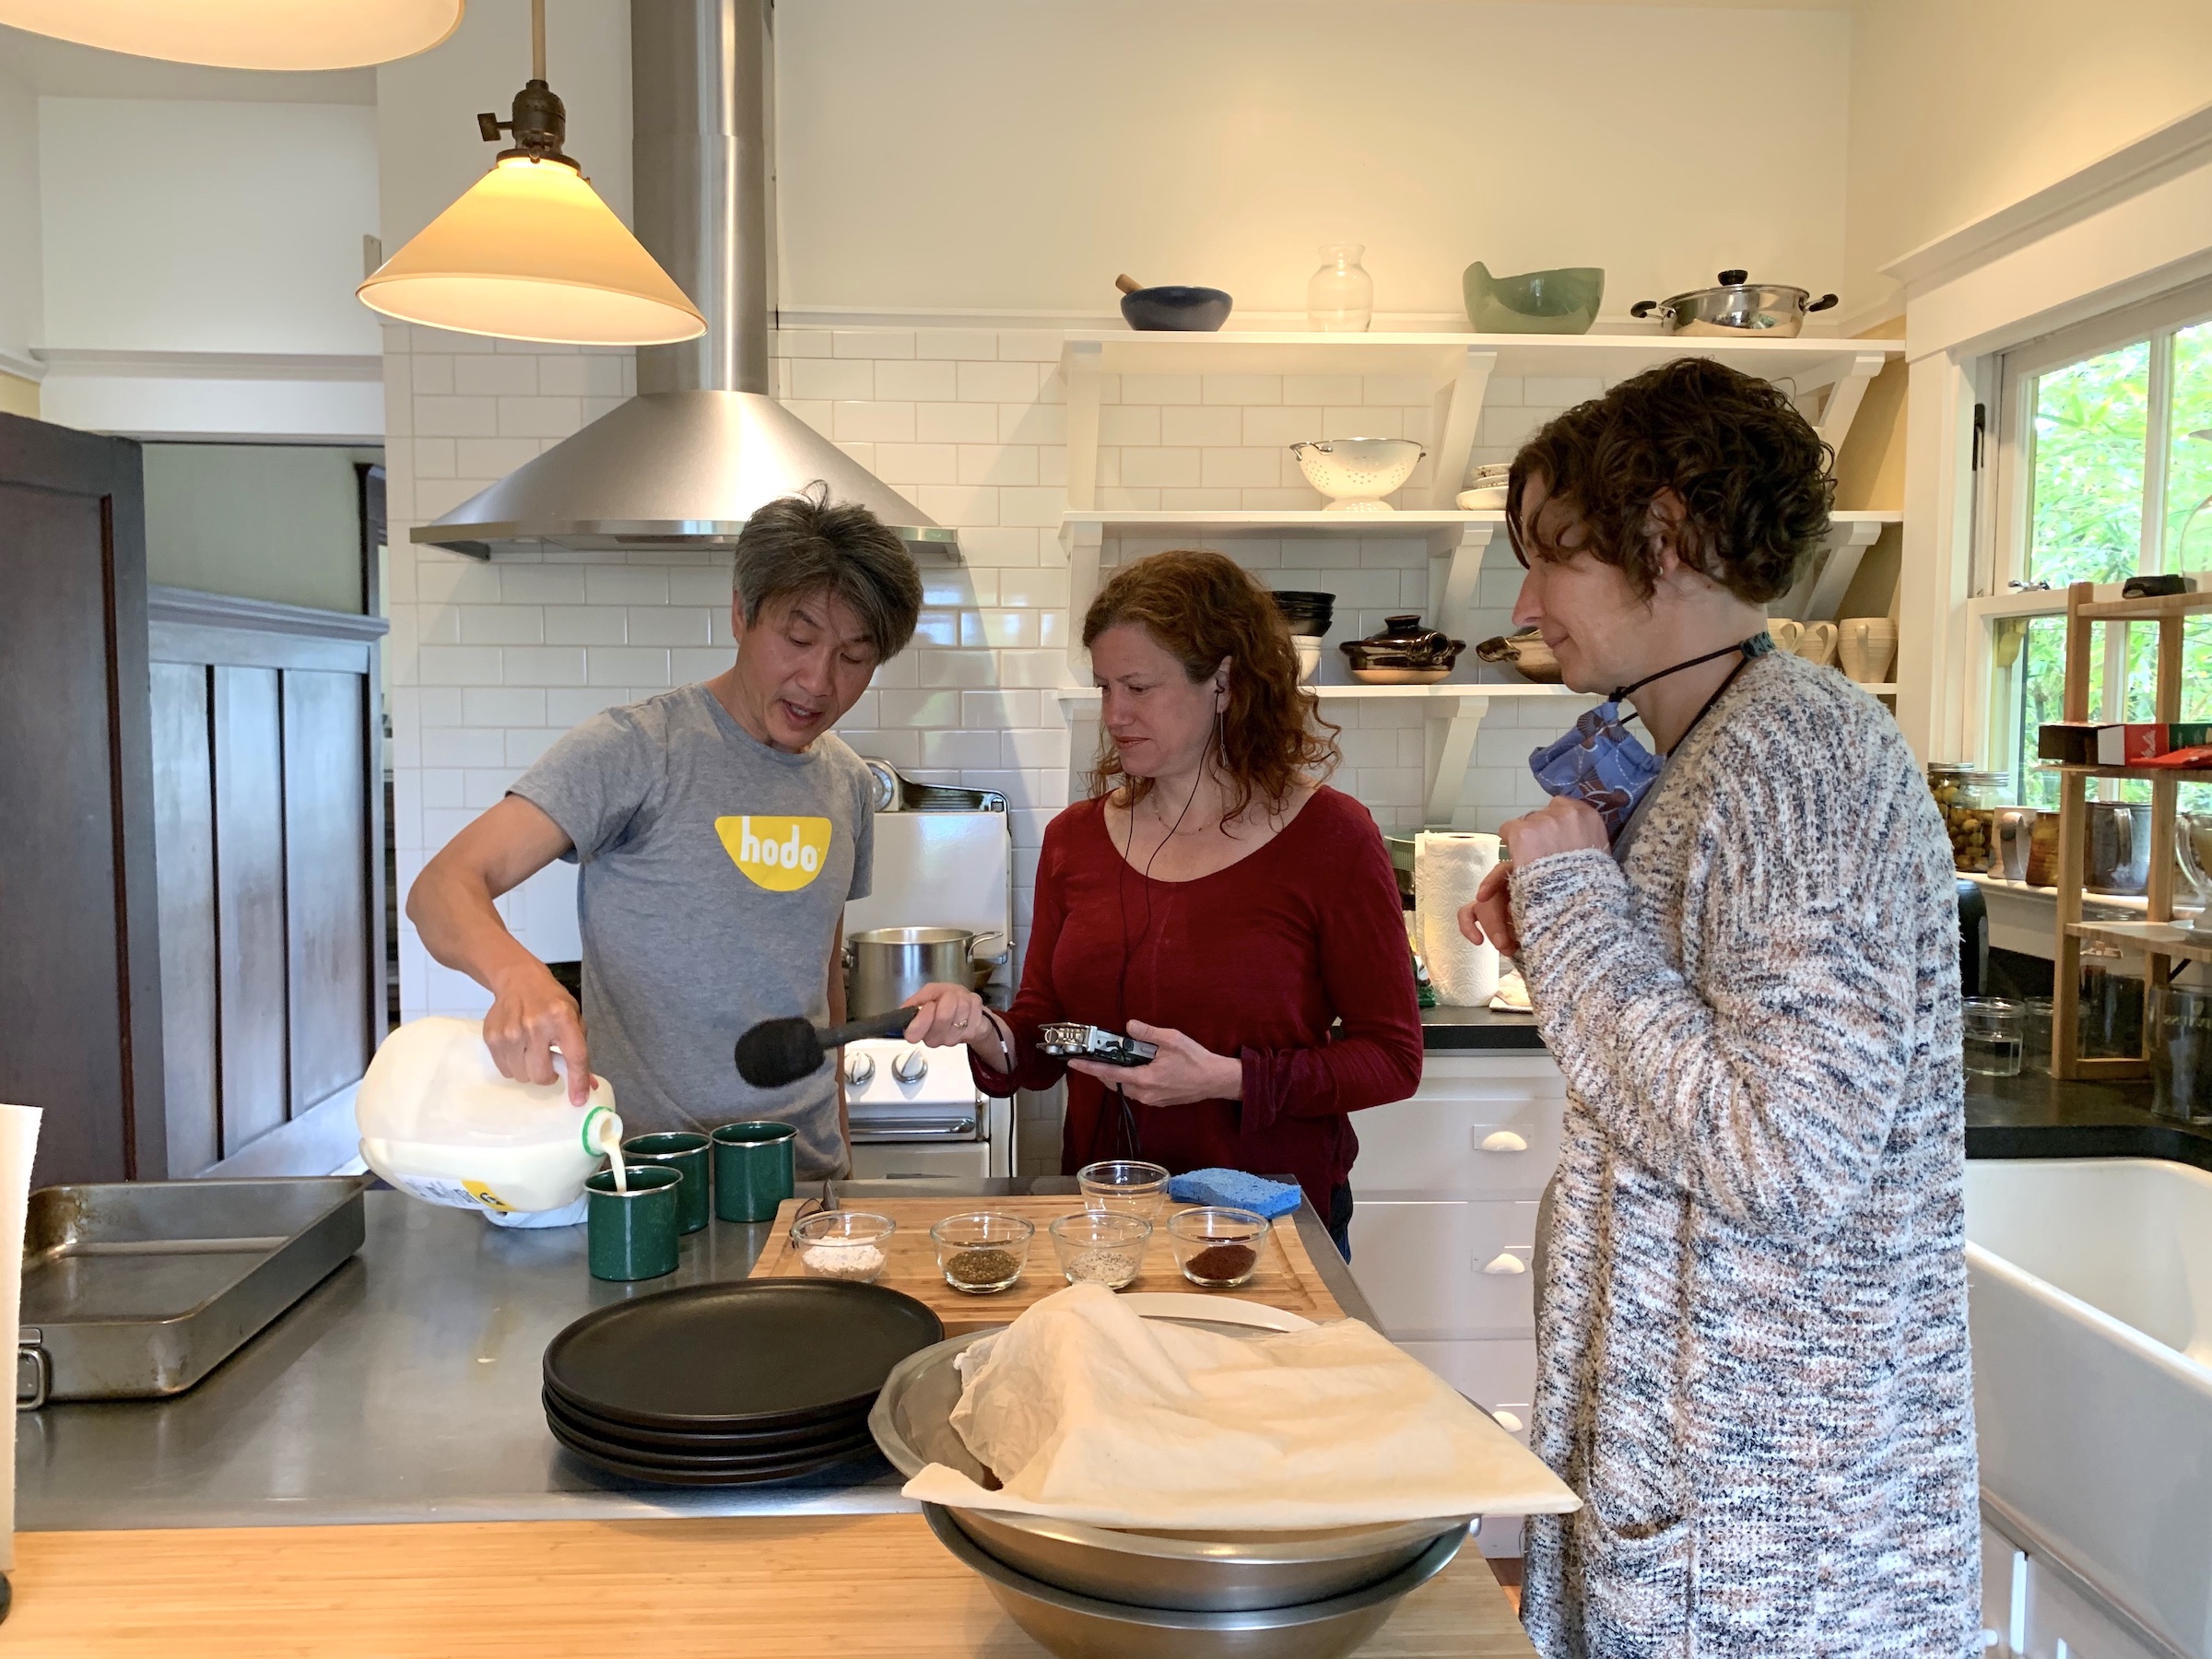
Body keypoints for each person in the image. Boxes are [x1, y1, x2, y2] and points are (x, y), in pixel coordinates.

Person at [1456, 359, 1978, 1654]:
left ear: (1669, 533)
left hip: (1756, 1527)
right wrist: (1576, 920)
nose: (1526, 604)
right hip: (1711, 1474)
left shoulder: (1796, 760)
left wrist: (1577, 904)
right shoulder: (1721, 746)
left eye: (1555, 556)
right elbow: (1691, 1059)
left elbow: (1785, 1155)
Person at [898, 549, 1423, 1257]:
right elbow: (1047, 1037)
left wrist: (1228, 1080)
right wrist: (984, 1029)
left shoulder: (1332, 836)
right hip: (1106, 1220)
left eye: (1139, 687)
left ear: (1224, 682)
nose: (1115, 715)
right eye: (1104, 687)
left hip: (1269, 1232)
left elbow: (1392, 1058)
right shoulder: (1075, 839)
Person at [406, 490, 922, 1182]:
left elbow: (822, 985)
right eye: (798, 641)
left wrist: (842, 1164)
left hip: (802, 1181)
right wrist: (517, 976)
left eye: (854, 657)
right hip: (649, 1178)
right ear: (741, 612)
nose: (818, 681)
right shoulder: (638, 748)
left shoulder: (849, 783)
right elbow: (442, 887)